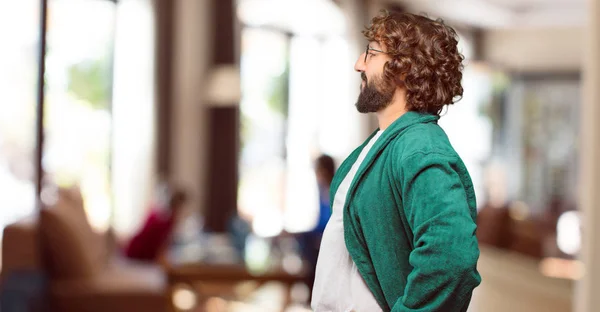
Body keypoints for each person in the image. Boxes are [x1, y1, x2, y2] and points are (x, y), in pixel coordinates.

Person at [311, 10, 481, 312]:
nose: (358, 64)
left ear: (404, 67)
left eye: (371, 53)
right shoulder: (385, 142)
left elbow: (452, 258)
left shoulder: (419, 146)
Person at [123, 187, 188, 262]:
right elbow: (162, 244)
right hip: (138, 251)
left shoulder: (162, 213)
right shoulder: (167, 219)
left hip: (137, 248)